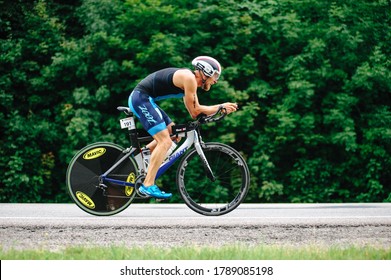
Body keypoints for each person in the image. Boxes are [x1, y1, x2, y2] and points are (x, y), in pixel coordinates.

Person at [128, 56, 239, 199]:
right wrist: (220, 107)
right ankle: (148, 185)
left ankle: (141, 155)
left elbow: (195, 111)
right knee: (165, 142)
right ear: (205, 71)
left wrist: (218, 109)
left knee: (174, 134)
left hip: (146, 99)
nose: (216, 80)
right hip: (141, 99)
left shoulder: (190, 82)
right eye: (215, 75)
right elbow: (195, 111)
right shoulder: (189, 79)